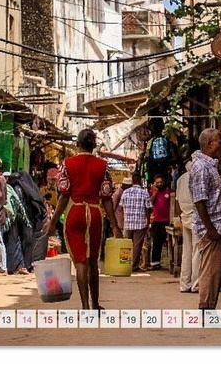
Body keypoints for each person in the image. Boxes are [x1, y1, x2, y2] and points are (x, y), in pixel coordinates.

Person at [46, 128, 121, 310]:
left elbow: (64, 195)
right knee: (93, 261)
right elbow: (106, 197)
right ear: (94, 145)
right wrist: (115, 225)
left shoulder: (67, 164)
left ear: (77, 144)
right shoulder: (103, 166)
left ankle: (85, 306)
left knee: (80, 261)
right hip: (95, 214)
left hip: (75, 212)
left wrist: (53, 222)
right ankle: (95, 304)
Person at [189, 128, 221, 310]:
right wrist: (210, 228)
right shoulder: (200, 168)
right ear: (209, 144)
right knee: (211, 270)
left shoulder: (208, 164)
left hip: (216, 226)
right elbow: (199, 201)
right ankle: (206, 307)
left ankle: (209, 306)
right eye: (220, 142)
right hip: (211, 228)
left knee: (214, 270)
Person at [9, 171, 48, 270]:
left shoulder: (17, 188)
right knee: (29, 242)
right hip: (32, 219)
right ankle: (28, 264)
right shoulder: (31, 187)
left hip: (25, 219)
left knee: (25, 242)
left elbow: (20, 205)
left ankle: (25, 264)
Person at [119, 171, 153, 272]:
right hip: (140, 222)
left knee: (127, 244)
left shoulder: (125, 192)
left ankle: (125, 263)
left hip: (128, 222)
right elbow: (148, 208)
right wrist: (147, 221)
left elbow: (121, 206)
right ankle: (134, 265)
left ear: (132, 181)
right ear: (141, 181)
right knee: (137, 245)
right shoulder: (144, 193)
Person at [175, 160, 200, 293]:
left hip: (184, 216)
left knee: (187, 252)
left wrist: (179, 217)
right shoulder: (197, 178)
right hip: (196, 217)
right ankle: (196, 284)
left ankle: (184, 284)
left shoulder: (180, 179)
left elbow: (177, 201)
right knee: (196, 252)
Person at [140, 118, 182, 187]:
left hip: (153, 171)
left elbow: (147, 157)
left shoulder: (150, 142)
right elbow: (175, 158)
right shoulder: (168, 140)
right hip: (165, 169)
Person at [149, 174, 172, 270]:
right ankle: (155, 263)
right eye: (157, 182)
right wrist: (155, 193)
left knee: (169, 242)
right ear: (154, 183)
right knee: (156, 243)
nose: (159, 184)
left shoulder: (169, 192)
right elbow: (150, 203)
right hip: (156, 221)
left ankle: (171, 262)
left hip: (167, 221)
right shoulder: (152, 192)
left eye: (161, 182)